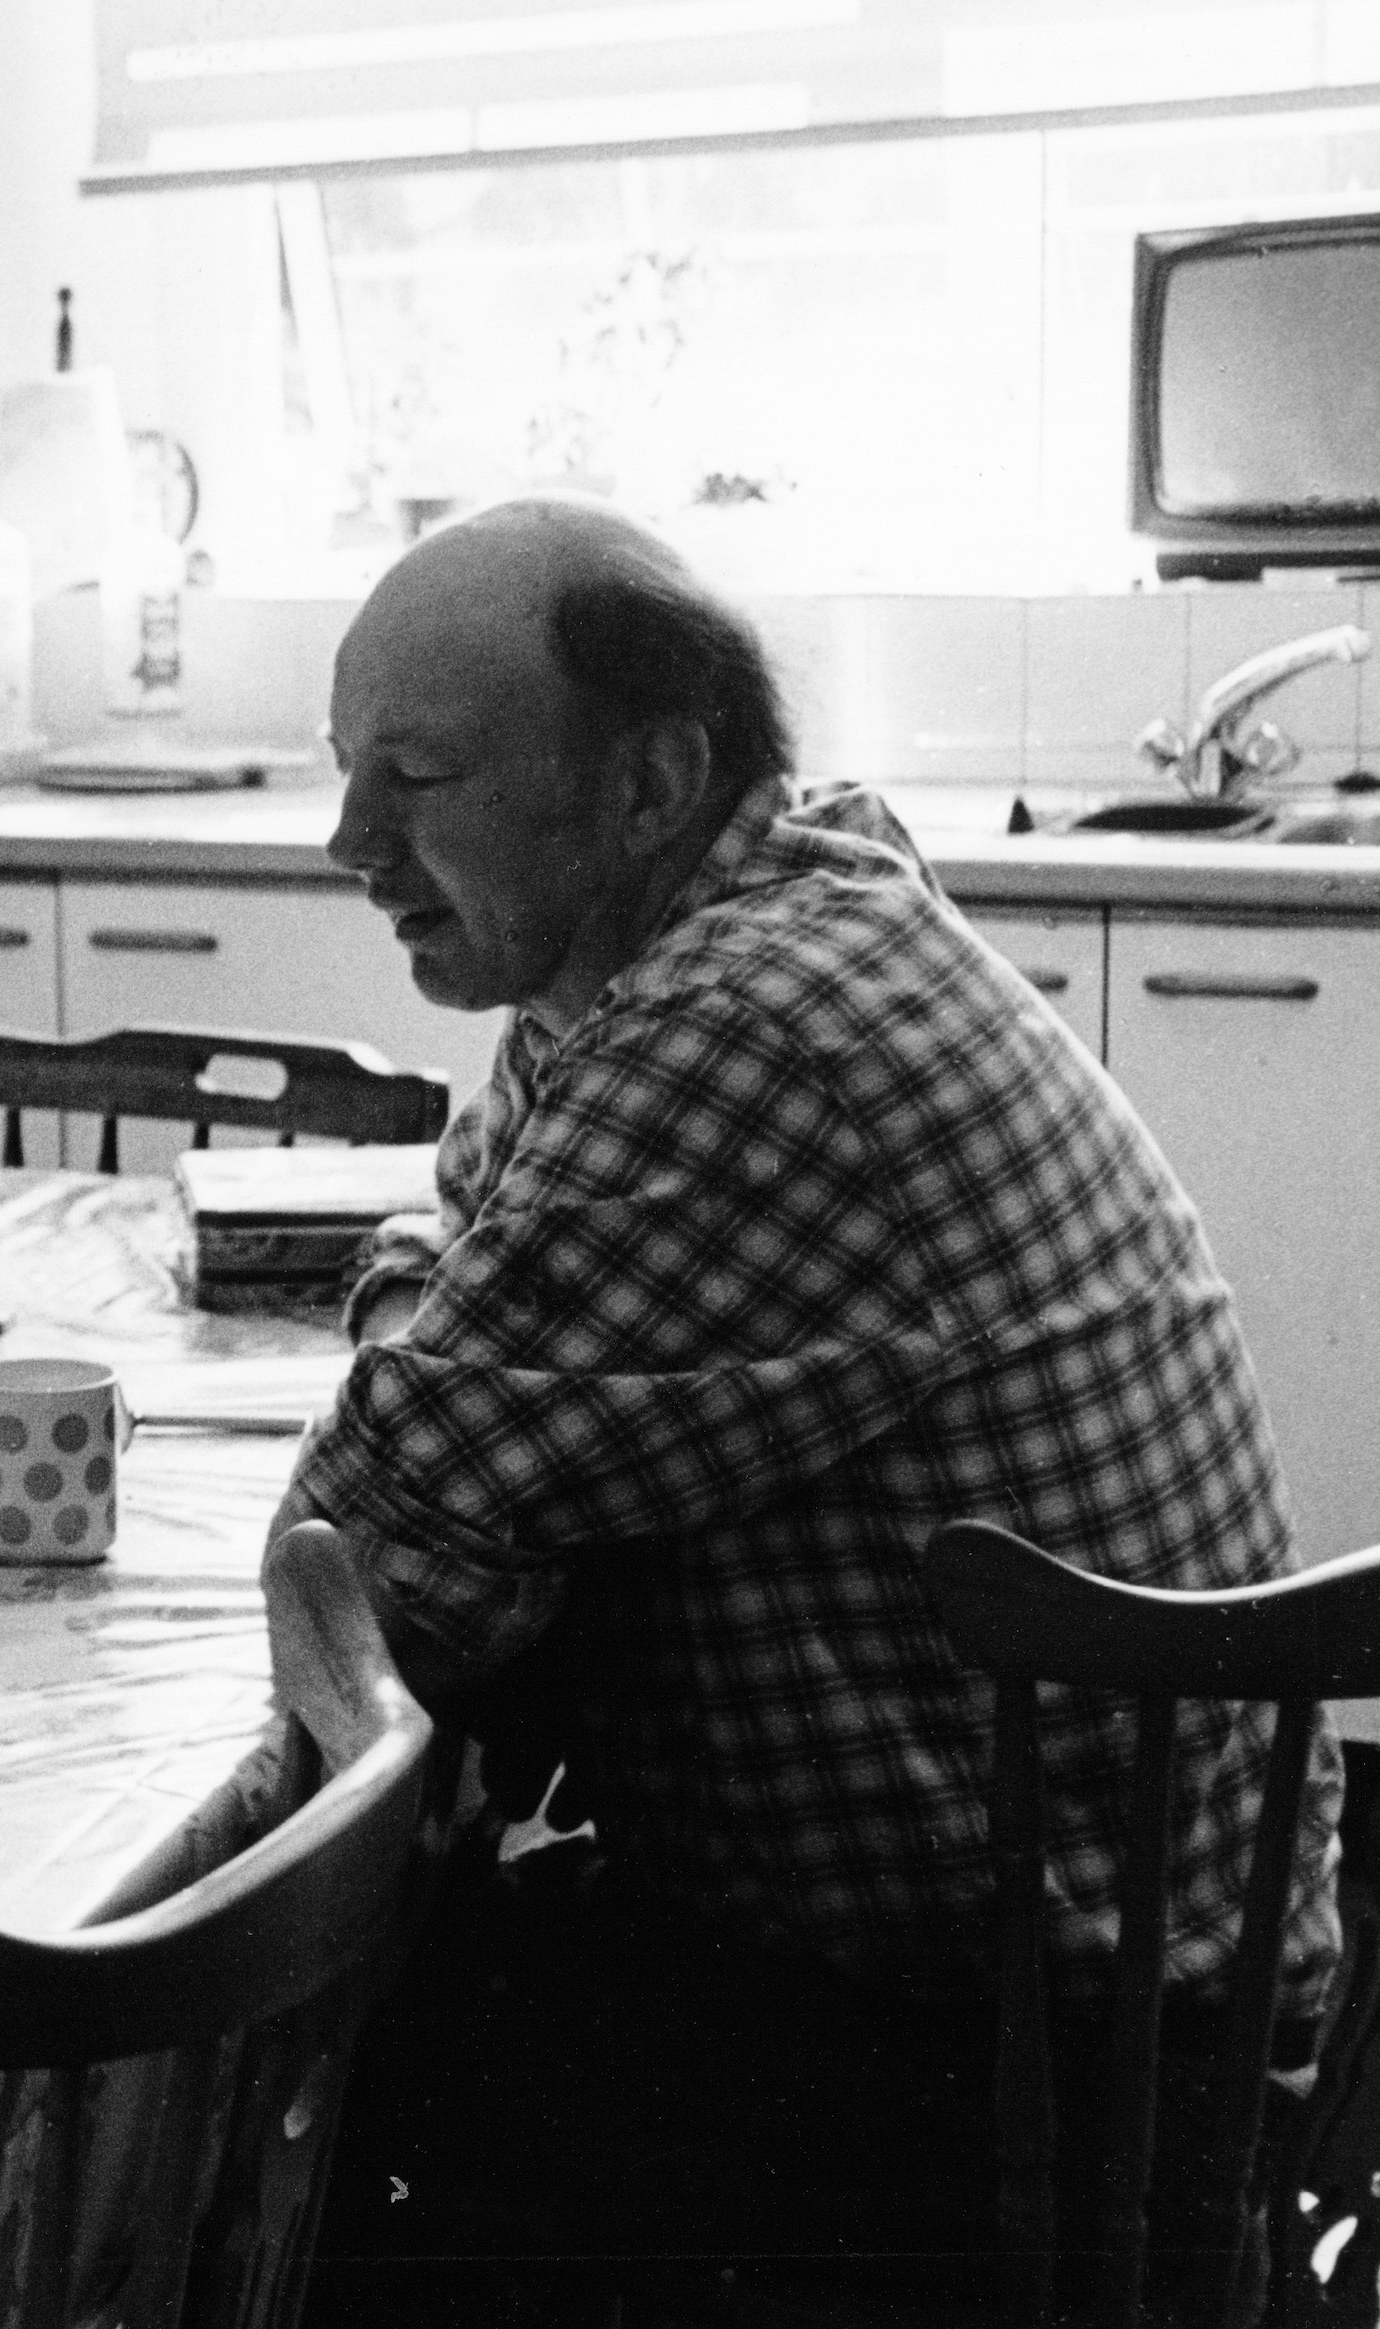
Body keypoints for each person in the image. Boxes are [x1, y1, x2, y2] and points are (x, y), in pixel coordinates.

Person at [287, 499, 1343, 2319]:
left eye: (418, 775)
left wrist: (430, 1325)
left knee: (311, 2124)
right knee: (413, 2002)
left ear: (652, 777)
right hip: (1009, 1967)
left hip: (1051, 2076)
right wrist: (446, 1310)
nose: (347, 841)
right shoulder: (682, 939)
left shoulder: (748, 1016)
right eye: (344, 774)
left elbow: (375, 1544)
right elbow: (461, 1261)